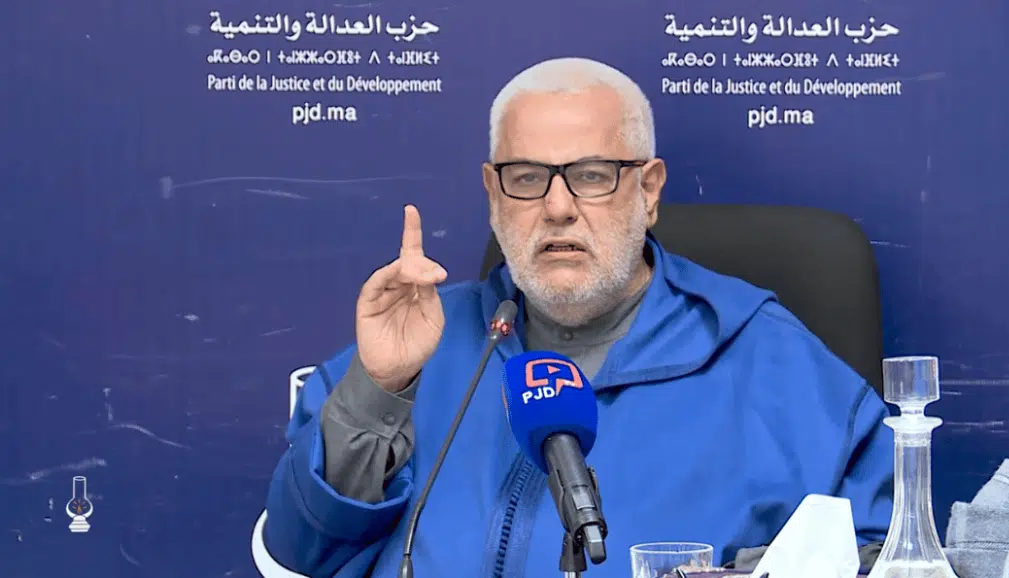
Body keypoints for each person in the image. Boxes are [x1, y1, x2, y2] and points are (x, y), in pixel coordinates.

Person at [261, 57, 895, 578]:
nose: (558, 207)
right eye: (527, 177)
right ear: (493, 195)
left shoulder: (776, 367)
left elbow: (883, 555)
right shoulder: (416, 344)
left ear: (648, 190)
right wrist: (379, 392)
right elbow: (299, 554)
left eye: (592, 176)